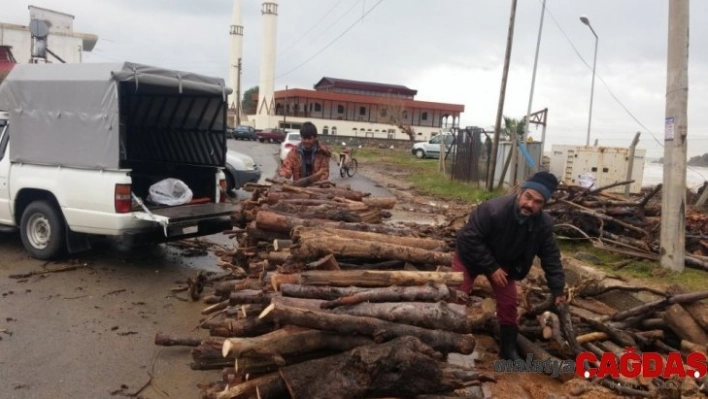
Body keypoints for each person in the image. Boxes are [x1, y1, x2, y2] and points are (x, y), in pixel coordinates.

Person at [454, 171, 566, 361]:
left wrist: (558, 289)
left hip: (505, 263)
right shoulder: (493, 210)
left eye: (537, 202)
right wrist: (491, 266)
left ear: (543, 205)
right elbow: (468, 237)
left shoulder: (543, 225)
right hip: (470, 257)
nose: (530, 204)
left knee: (508, 304)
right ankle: (448, 340)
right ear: (519, 193)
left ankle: (508, 350)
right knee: (457, 297)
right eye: (528, 197)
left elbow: (551, 257)